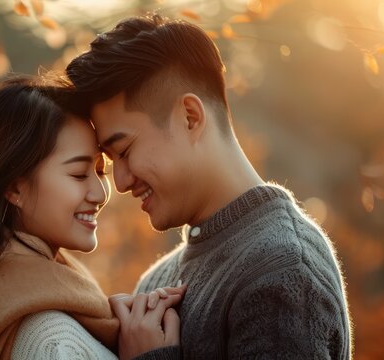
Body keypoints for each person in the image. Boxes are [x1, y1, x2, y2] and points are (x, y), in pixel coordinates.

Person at [65, 14, 352, 359]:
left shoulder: (282, 271)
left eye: (124, 151)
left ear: (190, 117)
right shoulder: (156, 285)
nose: (121, 182)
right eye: (112, 161)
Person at [0, 77, 185, 359]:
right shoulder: (51, 341)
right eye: (79, 174)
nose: (100, 192)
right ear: (14, 187)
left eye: (99, 171)